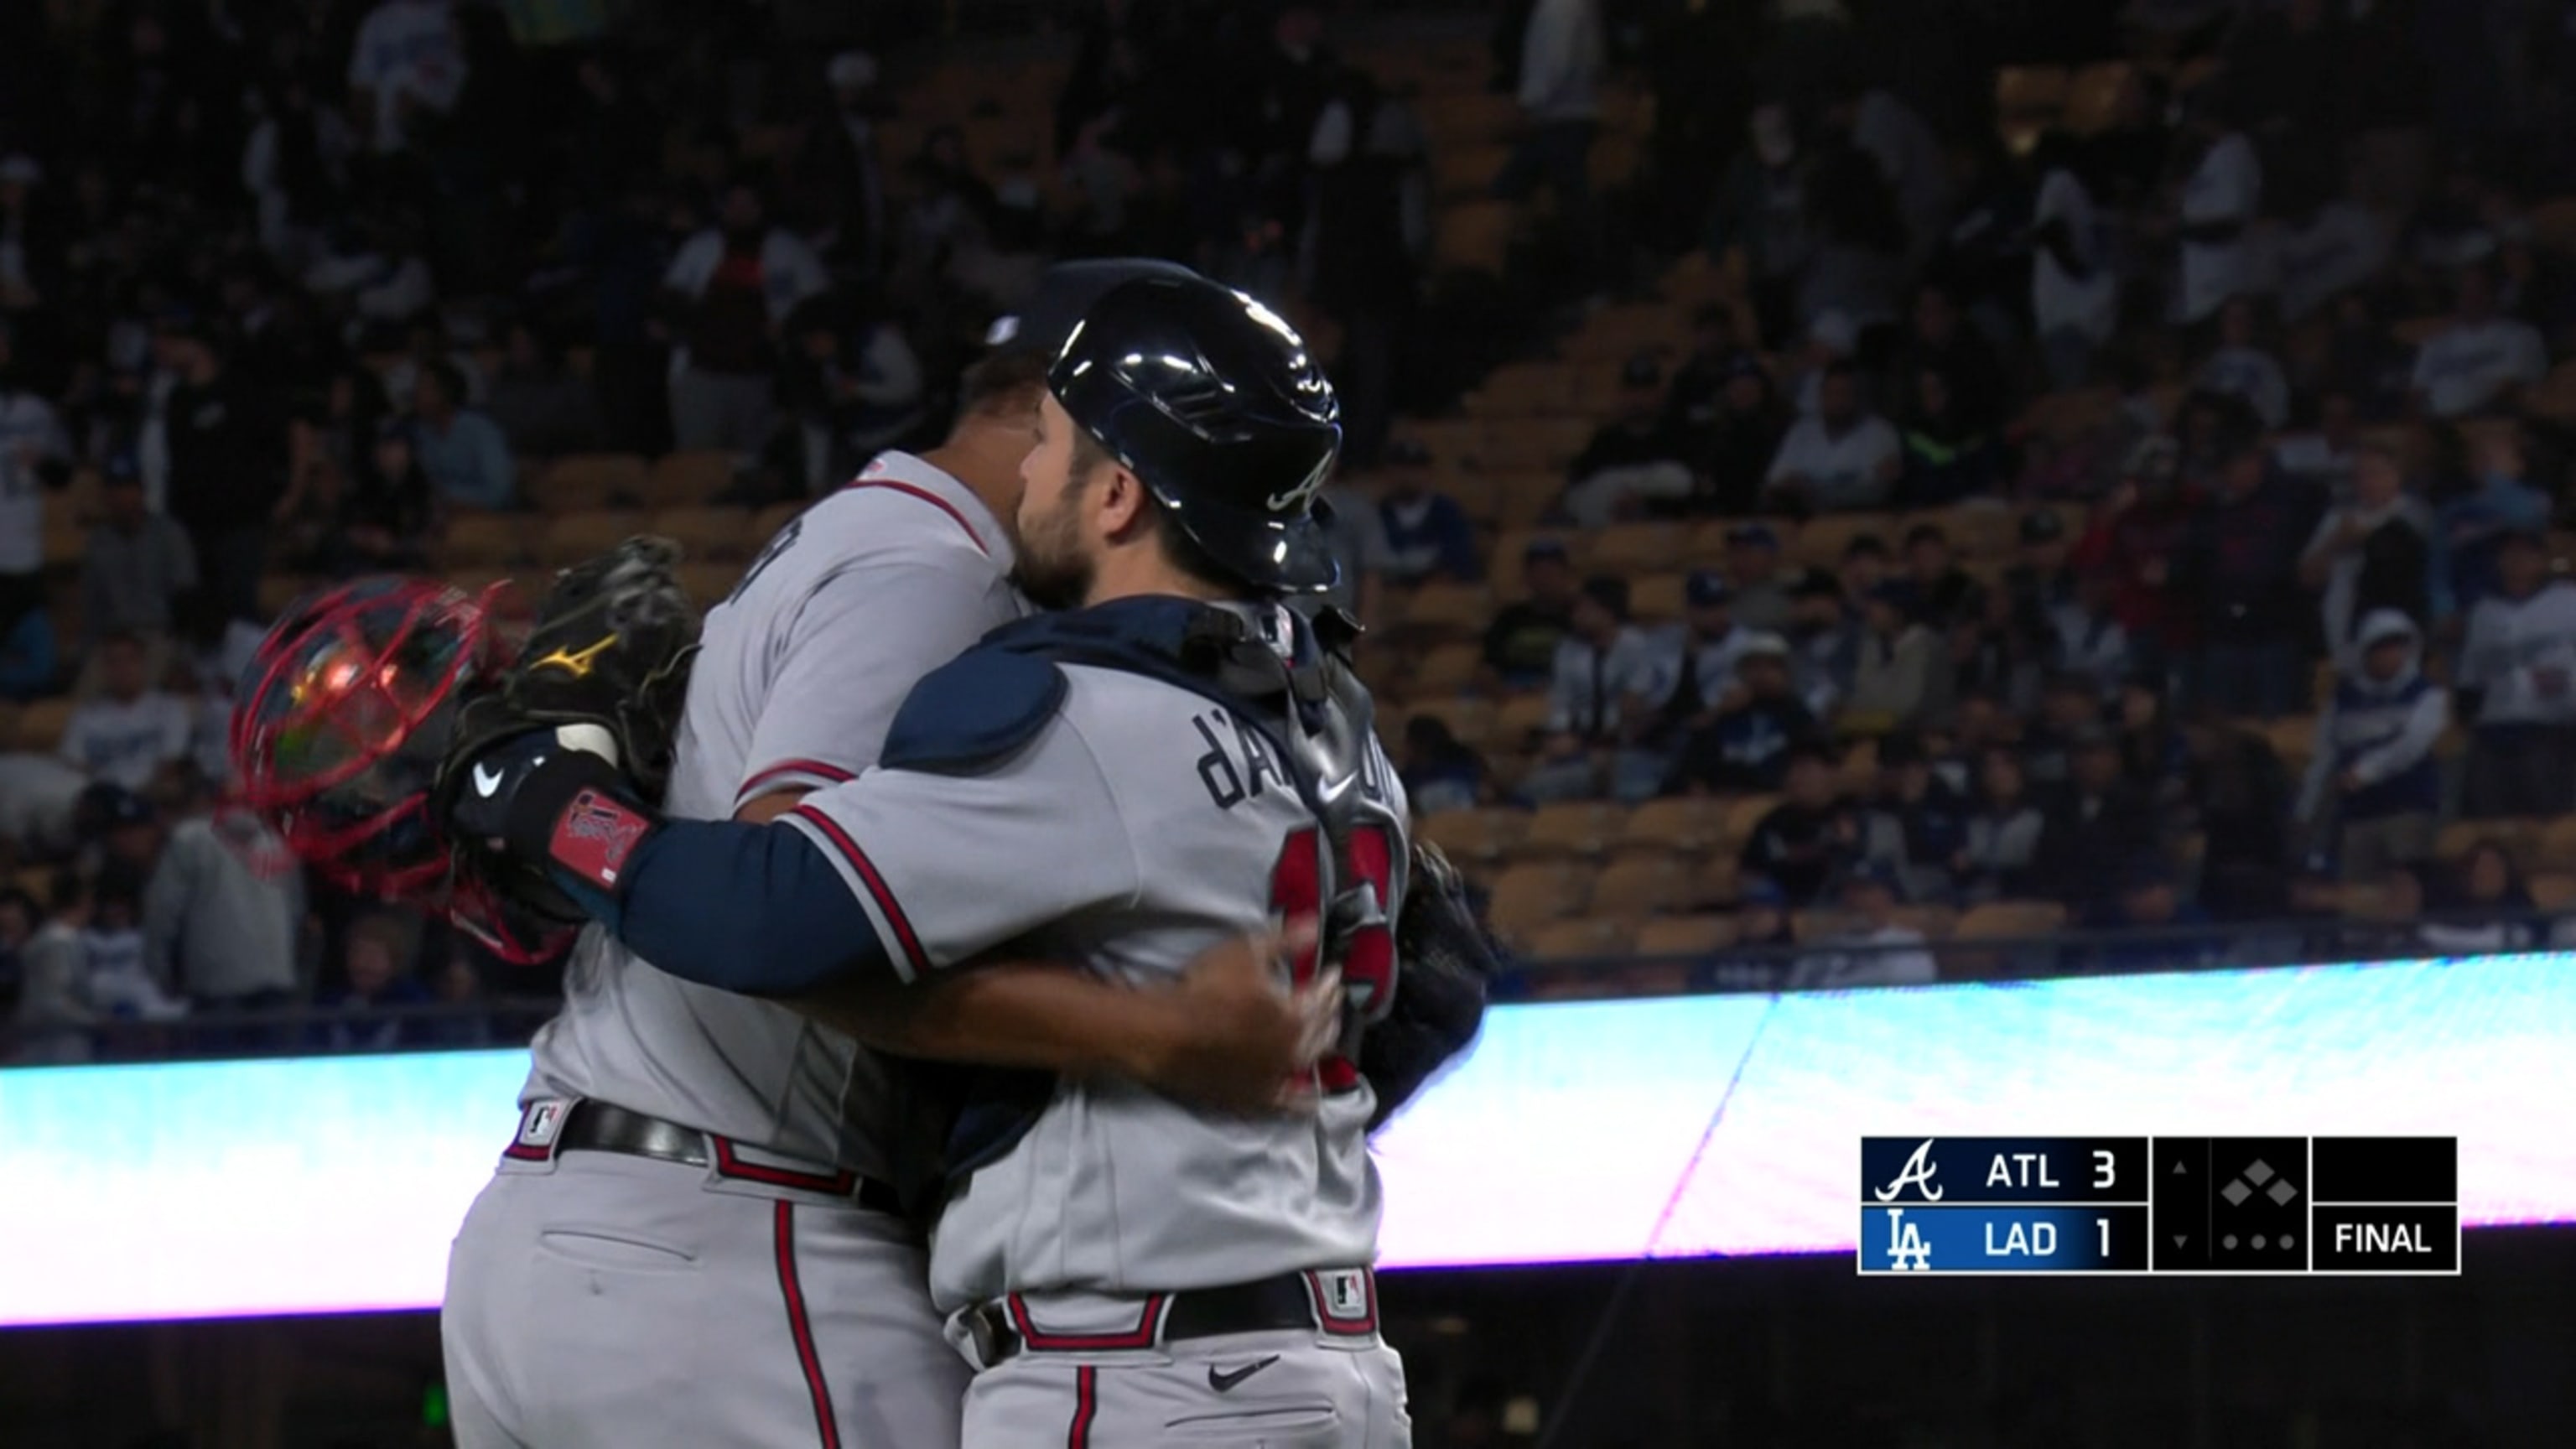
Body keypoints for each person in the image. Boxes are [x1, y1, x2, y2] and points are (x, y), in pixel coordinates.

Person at [439, 272, 1444, 1448]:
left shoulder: (1079, 698)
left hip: (1122, 1367)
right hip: (1316, 1353)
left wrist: (552, 795)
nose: (1030, 470)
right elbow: (1442, 995)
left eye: (1054, 442)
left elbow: (771, 915)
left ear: (1117, 492)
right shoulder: (1340, 730)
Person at [662, 184, 830, 454]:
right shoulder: (700, 248)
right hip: (703, 374)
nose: (740, 213)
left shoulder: (789, 249)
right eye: (733, 205)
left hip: (760, 377)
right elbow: (670, 302)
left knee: (752, 462)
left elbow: (819, 303)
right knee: (701, 461)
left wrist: (789, 328)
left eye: (748, 205)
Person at [2299, 610, 2448, 882]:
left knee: (2406, 888)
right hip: (2357, 816)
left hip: (2408, 809)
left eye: (2397, 647)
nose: (2390, 655)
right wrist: (2305, 809)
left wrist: (2366, 772)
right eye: (2381, 648)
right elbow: (2324, 755)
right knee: (2358, 896)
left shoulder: (2427, 695)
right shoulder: (2342, 701)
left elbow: (2412, 746)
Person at [2456, 529, 2576, 818]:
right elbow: (2470, 681)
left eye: (2526, 554)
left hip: (2553, 729)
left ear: (2542, 560)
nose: (2517, 560)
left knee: (2552, 825)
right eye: (2509, 554)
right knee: (2493, 826)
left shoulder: (2568, 601)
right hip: (2494, 731)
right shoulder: (2484, 611)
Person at [1524, 574, 1661, 802]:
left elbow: (1634, 704)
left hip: (1625, 744)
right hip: (1579, 742)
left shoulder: (1636, 646)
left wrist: (1597, 743)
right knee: (1532, 784)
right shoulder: (1567, 649)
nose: (1577, 615)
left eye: (1585, 608)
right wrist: (1559, 737)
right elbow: (1562, 701)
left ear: (1608, 612)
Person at [2299, 442, 2432, 665]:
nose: (2367, 482)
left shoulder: (2416, 514)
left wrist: (2367, 539)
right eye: (2359, 475)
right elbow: (2307, 578)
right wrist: (2335, 543)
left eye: (2375, 474)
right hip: (2341, 629)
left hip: (2394, 633)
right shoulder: (2339, 518)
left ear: (2396, 475)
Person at [1661, 634, 1819, 796]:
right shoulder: (1725, 713)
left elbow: (1812, 757)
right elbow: (1690, 765)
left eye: (1771, 666)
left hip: (1778, 800)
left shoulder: (1797, 714)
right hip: (1723, 803)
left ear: (1786, 673)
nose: (1762, 674)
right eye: (1754, 667)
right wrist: (1717, 713)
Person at [79, 466, 195, 673]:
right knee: (80, 700)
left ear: (141, 492)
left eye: (128, 489)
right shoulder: (98, 541)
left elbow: (187, 602)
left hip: (159, 637)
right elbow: (93, 609)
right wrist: (88, 653)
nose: (123, 497)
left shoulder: (168, 534)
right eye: (115, 490)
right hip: (114, 642)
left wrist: (183, 658)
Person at [2410, 264, 2548, 420]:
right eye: (2465, 290)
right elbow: (2416, 394)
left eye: (2478, 290)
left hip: (2492, 422)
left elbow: (2514, 390)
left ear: (2495, 293)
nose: (2470, 298)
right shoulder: (2436, 343)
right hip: (2434, 425)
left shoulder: (2522, 336)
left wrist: (2465, 419)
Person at [60, 632, 193, 792]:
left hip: (152, 799)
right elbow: (74, 766)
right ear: (105, 669)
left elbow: (172, 763)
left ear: (143, 663)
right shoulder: (86, 715)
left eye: (130, 660)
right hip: (103, 801)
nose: (122, 669)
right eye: (114, 662)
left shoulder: (169, 708)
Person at [1763, 360, 1901, 512]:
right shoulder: (1802, 432)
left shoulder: (1880, 432)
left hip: (1858, 522)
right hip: (1805, 523)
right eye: (1830, 393)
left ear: (1856, 395)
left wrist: (1814, 493)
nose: (1837, 401)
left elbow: (1876, 492)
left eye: (1843, 393)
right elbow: (1775, 484)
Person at [1737, 743, 1857, 908]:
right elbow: (1749, 873)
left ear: (1830, 772)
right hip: (1785, 911)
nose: (1796, 777)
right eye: (1790, 770)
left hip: (1844, 907)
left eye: (1805, 769)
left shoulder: (1856, 813)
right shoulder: (1774, 822)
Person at [1786, 862, 1937, 990]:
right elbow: (1793, 994)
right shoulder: (1821, 946)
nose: (1856, 899)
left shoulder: (1908, 944)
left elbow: (1912, 997)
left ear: (1887, 896)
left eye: (1865, 890)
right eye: (1850, 890)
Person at [411, 360, 517, 510]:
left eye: (423, 389)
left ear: (444, 393)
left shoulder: (481, 431)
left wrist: (449, 498)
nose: (416, 395)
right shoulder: (422, 433)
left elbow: (500, 493)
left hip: (490, 520)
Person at [1375, 439, 1480, 586]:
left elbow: (1460, 561)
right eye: (1402, 469)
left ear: (1428, 472)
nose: (1409, 477)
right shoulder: (1376, 514)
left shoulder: (1447, 511)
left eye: (1416, 469)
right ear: (1389, 473)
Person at [1480, 538, 1580, 688]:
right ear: (1527, 577)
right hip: (1512, 688)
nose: (1544, 578)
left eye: (1550, 571)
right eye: (1536, 571)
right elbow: (1489, 665)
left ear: (1565, 574)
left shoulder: (1581, 614)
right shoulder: (1509, 617)